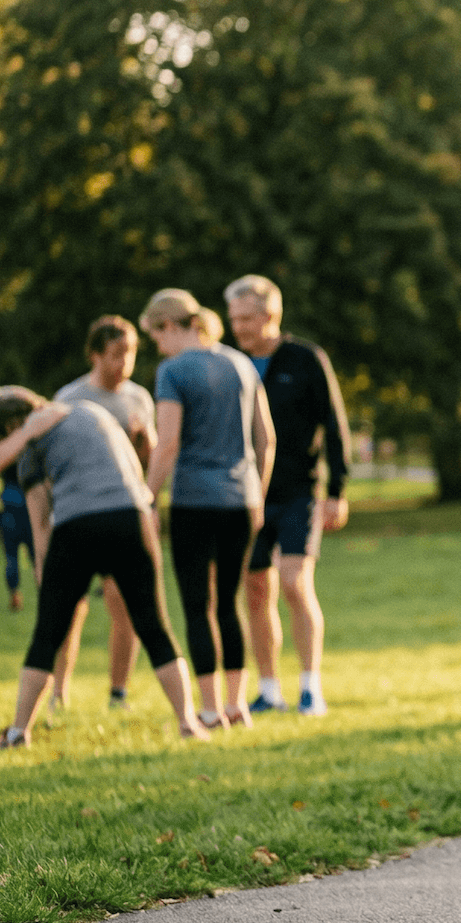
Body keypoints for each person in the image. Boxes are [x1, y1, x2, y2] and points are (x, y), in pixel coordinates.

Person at [0, 391, 210, 748]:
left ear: (12, 425)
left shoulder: (32, 444)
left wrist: (45, 579)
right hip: (133, 518)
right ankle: (188, 722)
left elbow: (41, 526)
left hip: (77, 526)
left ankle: (19, 732)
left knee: (48, 635)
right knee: (154, 625)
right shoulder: (91, 411)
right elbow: (132, 471)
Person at [142, 289, 275, 730]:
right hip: (242, 500)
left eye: (156, 336)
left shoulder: (173, 371)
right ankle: (237, 706)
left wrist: (145, 498)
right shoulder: (241, 363)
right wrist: (258, 493)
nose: (158, 346)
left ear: (171, 326)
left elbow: (168, 445)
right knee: (230, 604)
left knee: (198, 605)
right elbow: (266, 439)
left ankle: (209, 708)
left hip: (195, 500)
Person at [225, 276, 352, 717]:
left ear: (269, 315)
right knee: (256, 590)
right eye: (233, 319)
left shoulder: (305, 359)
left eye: (245, 319)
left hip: (300, 492)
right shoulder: (231, 362)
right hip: (247, 495)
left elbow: (335, 426)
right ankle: (268, 688)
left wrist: (337, 491)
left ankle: (310, 687)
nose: (237, 328)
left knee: (296, 583)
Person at [52, 315, 157, 711]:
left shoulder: (138, 398)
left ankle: (118, 694)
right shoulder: (70, 398)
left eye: (129, 353)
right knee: (69, 608)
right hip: (77, 515)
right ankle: (58, 692)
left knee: (124, 604)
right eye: (115, 354)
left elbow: (149, 461)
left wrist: (145, 438)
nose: (123, 363)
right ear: (95, 354)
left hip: (122, 516)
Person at [1, 460, 29, 614]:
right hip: (27, 509)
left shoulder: (7, 453)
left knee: (11, 558)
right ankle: (43, 592)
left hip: (9, 511)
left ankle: (14, 594)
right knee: (36, 556)